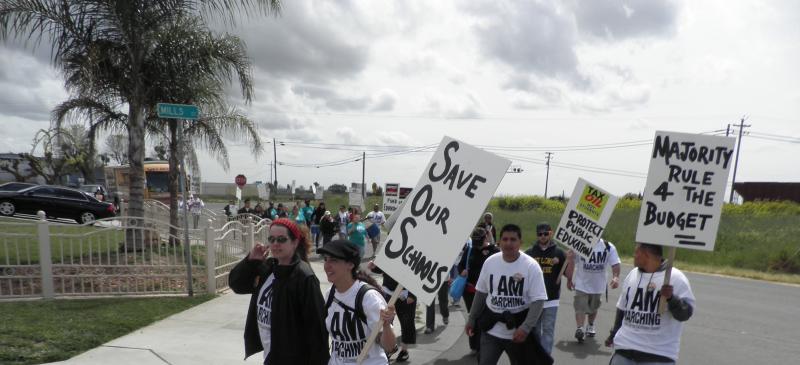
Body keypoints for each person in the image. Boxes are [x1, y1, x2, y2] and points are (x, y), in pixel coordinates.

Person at [228, 218, 329, 364]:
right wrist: (250, 261)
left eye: (281, 239)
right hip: (271, 355)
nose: (275, 244)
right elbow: (237, 284)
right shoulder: (268, 268)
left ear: (294, 243)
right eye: (271, 239)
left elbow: (317, 330)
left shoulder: (304, 277)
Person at [465, 224, 551, 365]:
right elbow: (481, 292)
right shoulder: (490, 262)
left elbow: (538, 301)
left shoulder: (531, 266)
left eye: (513, 239)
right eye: (505, 239)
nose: (508, 243)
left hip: (518, 331)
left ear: (520, 242)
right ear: (499, 242)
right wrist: (472, 318)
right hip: (491, 330)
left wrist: (526, 328)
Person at [606, 243, 695, 365]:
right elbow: (622, 308)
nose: (634, 255)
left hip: (657, 355)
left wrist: (671, 298)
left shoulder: (675, 278)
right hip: (624, 351)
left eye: (636, 252)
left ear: (646, 255)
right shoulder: (632, 275)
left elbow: (685, 314)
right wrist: (614, 334)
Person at [318, 240, 397, 365]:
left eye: (333, 260)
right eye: (326, 259)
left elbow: (389, 347)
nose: (327, 265)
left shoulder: (368, 297)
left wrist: (386, 325)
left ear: (350, 264)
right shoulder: (330, 295)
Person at [524, 222, 568, 354]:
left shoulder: (559, 253)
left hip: (552, 299)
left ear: (551, 233)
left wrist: (570, 260)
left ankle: (545, 359)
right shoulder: (530, 253)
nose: (542, 236)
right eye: (540, 234)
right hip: (534, 299)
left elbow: (568, 275)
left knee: (548, 330)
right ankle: (537, 357)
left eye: (545, 233)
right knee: (535, 330)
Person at [566, 238, 621, 342]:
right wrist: (569, 278)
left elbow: (615, 264)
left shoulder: (608, 247)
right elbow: (572, 262)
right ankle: (580, 328)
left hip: (597, 285)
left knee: (594, 306)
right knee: (580, 305)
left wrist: (616, 277)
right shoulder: (579, 245)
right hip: (582, 283)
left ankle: (590, 325)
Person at [457, 227, 499, 353]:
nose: (477, 245)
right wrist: (462, 271)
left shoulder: (494, 251)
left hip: (488, 292)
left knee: (484, 319)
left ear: (486, 237)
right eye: (475, 242)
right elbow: (460, 265)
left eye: (479, 242)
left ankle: (484, 345)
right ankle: (474, 346)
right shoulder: (470, 250)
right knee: (473, 317)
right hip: (470, 291)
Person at [368, 262, 415, 363]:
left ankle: (404, 350)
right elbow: (385, 267)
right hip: (388, 291)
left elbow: (417, 273)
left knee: (406, 322)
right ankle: (389, 348)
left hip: (405, 293)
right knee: (386, 322)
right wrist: (374, 268)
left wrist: (412, 294)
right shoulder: (394, 247)